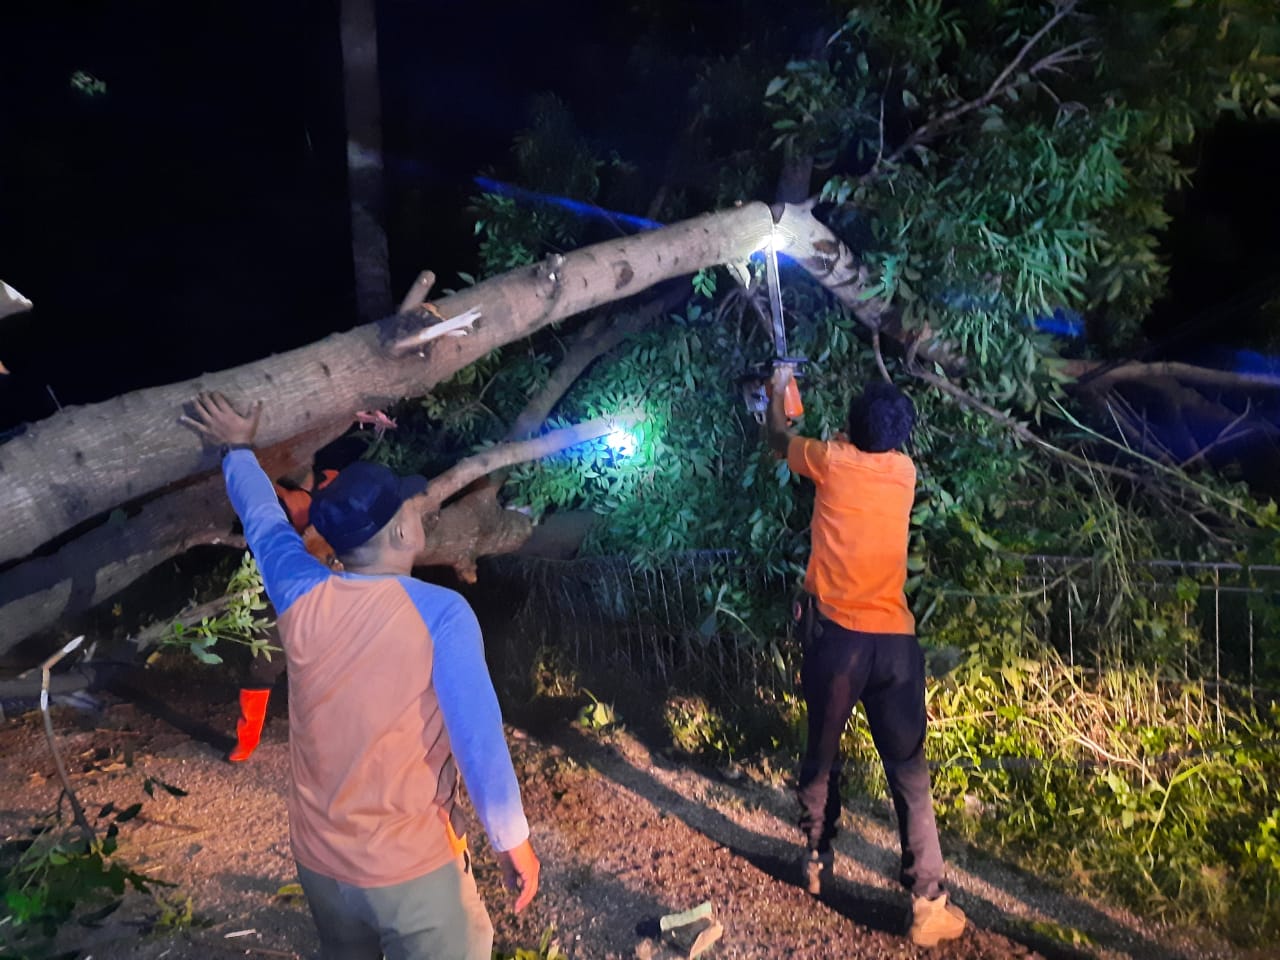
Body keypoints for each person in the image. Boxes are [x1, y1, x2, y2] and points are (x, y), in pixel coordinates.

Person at [183, 391, 540, 960]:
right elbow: (479, 741)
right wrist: (511, 842)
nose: (419, 512)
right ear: (401, 534)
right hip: (412, 872)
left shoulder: (300, 592)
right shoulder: (441, 614)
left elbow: (263, 522)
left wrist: (236, 449)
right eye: (410, 508)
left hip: (322, 866)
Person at [763, 366, 966, 948]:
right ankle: (928, 904)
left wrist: (781, 392)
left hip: (839, 644)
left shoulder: (830, 461)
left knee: (822, 757)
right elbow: (861, 447)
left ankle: (817, 861)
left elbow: (779, 442)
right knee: (910, 774)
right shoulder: (904, 472)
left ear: (851, 426)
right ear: (901, 438)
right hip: (897, 647)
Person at [227, 462, 340, 764]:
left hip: (324, 594)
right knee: (262, 665)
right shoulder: (273, 494)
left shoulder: (334, 483)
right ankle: (246, 740)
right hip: (277, 592)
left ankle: (328, 746)